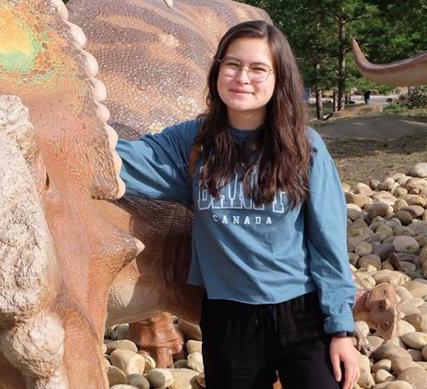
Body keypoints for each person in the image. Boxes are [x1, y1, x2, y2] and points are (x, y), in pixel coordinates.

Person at [116, 20, 359, 389]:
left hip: (302, 315)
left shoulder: (304, 146)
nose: (242, 77)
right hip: (228, 319)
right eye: (232, 65)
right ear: (217, 70)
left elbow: (328, 242)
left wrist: (341, 329)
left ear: (279, 79)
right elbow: (116, 159)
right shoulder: (193, 143)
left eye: (259, 68)